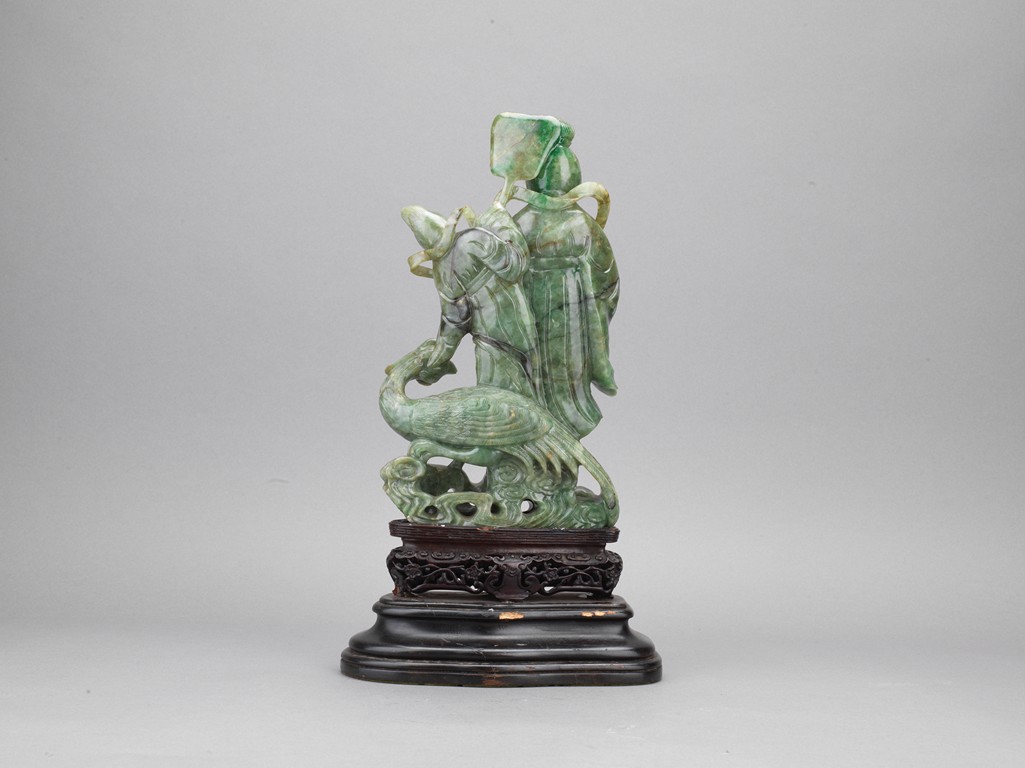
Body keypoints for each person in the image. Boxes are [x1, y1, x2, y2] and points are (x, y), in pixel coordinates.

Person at [507, 123, 620, 439]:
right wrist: (597, 309)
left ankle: (541, 434)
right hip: (572, 308)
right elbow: (608, 280)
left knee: (541, 372)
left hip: (539, 305)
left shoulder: (522, 221)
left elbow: (500, 264)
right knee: (558, 371)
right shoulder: (583, 224)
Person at [400, 202, 542, 402]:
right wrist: (501, 218)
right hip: (515, 321)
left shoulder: (442, 275)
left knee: (494, 391)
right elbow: (515, 266)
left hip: (485, 336)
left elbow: (454, 322)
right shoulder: (472, 239)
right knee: (527, 380)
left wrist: (438, 358)